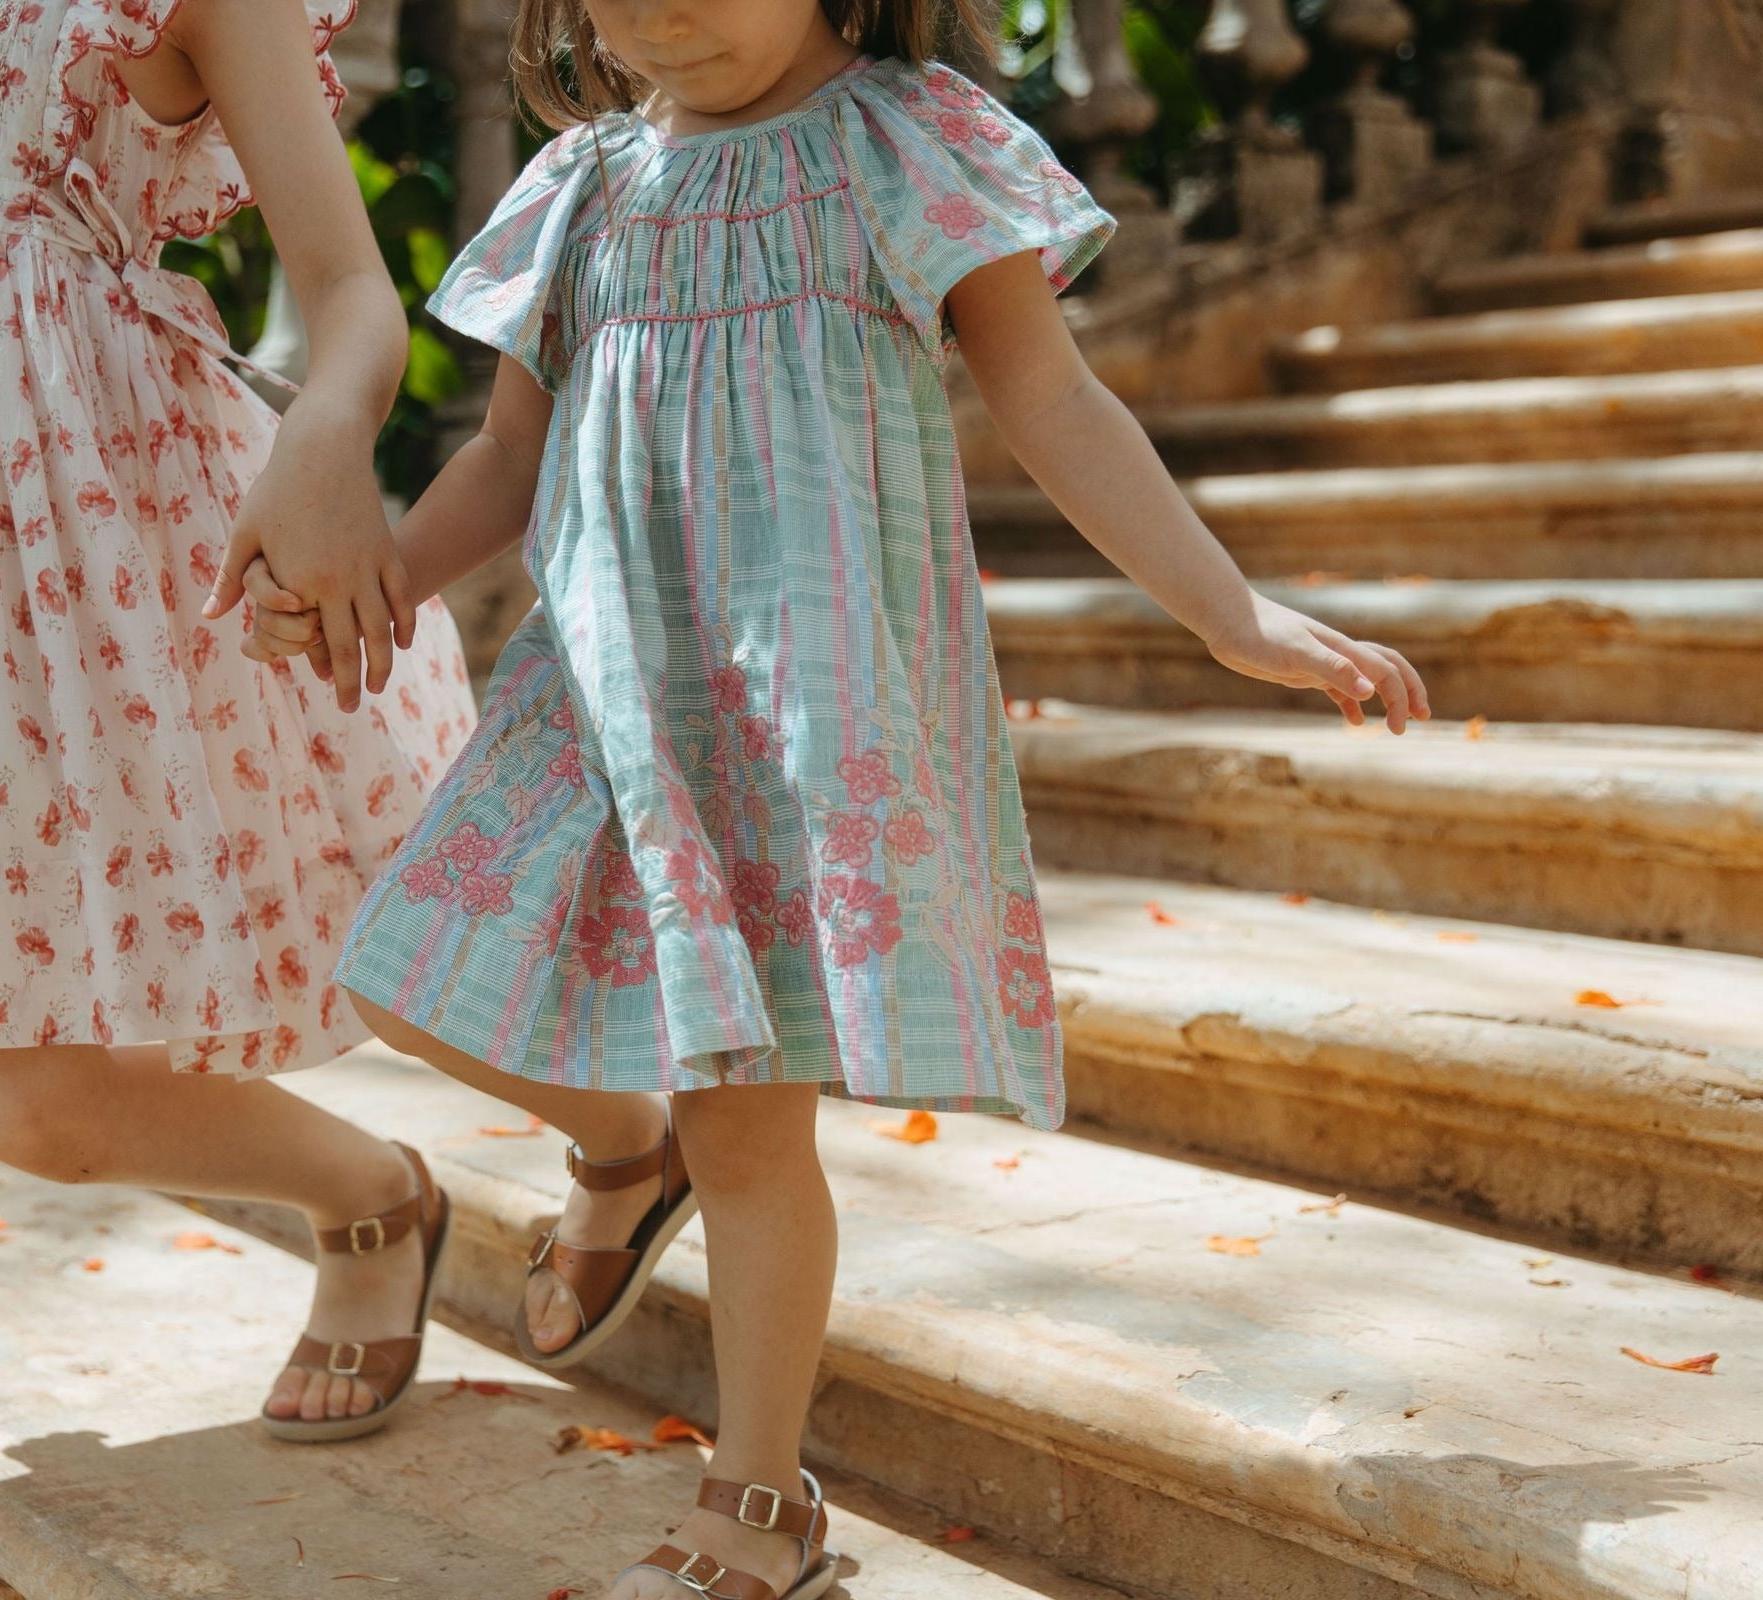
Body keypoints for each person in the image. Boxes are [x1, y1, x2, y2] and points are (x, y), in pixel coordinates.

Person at [240, 1, 1432, 1594]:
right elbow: (510, 459)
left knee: (748, 1133)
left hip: (793, 710)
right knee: (401, 975)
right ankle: (619, 1154)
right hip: (595, 693)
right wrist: (372, 578)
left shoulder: (904, 138)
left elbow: (1054, 397)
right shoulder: (584, 184)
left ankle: (763, 1502)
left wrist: (1229, 612)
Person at [0, 0, 477, 1590]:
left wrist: (328, 435)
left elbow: (349, 298)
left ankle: (384, 1192)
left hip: (50, 533)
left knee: (31, 1103)